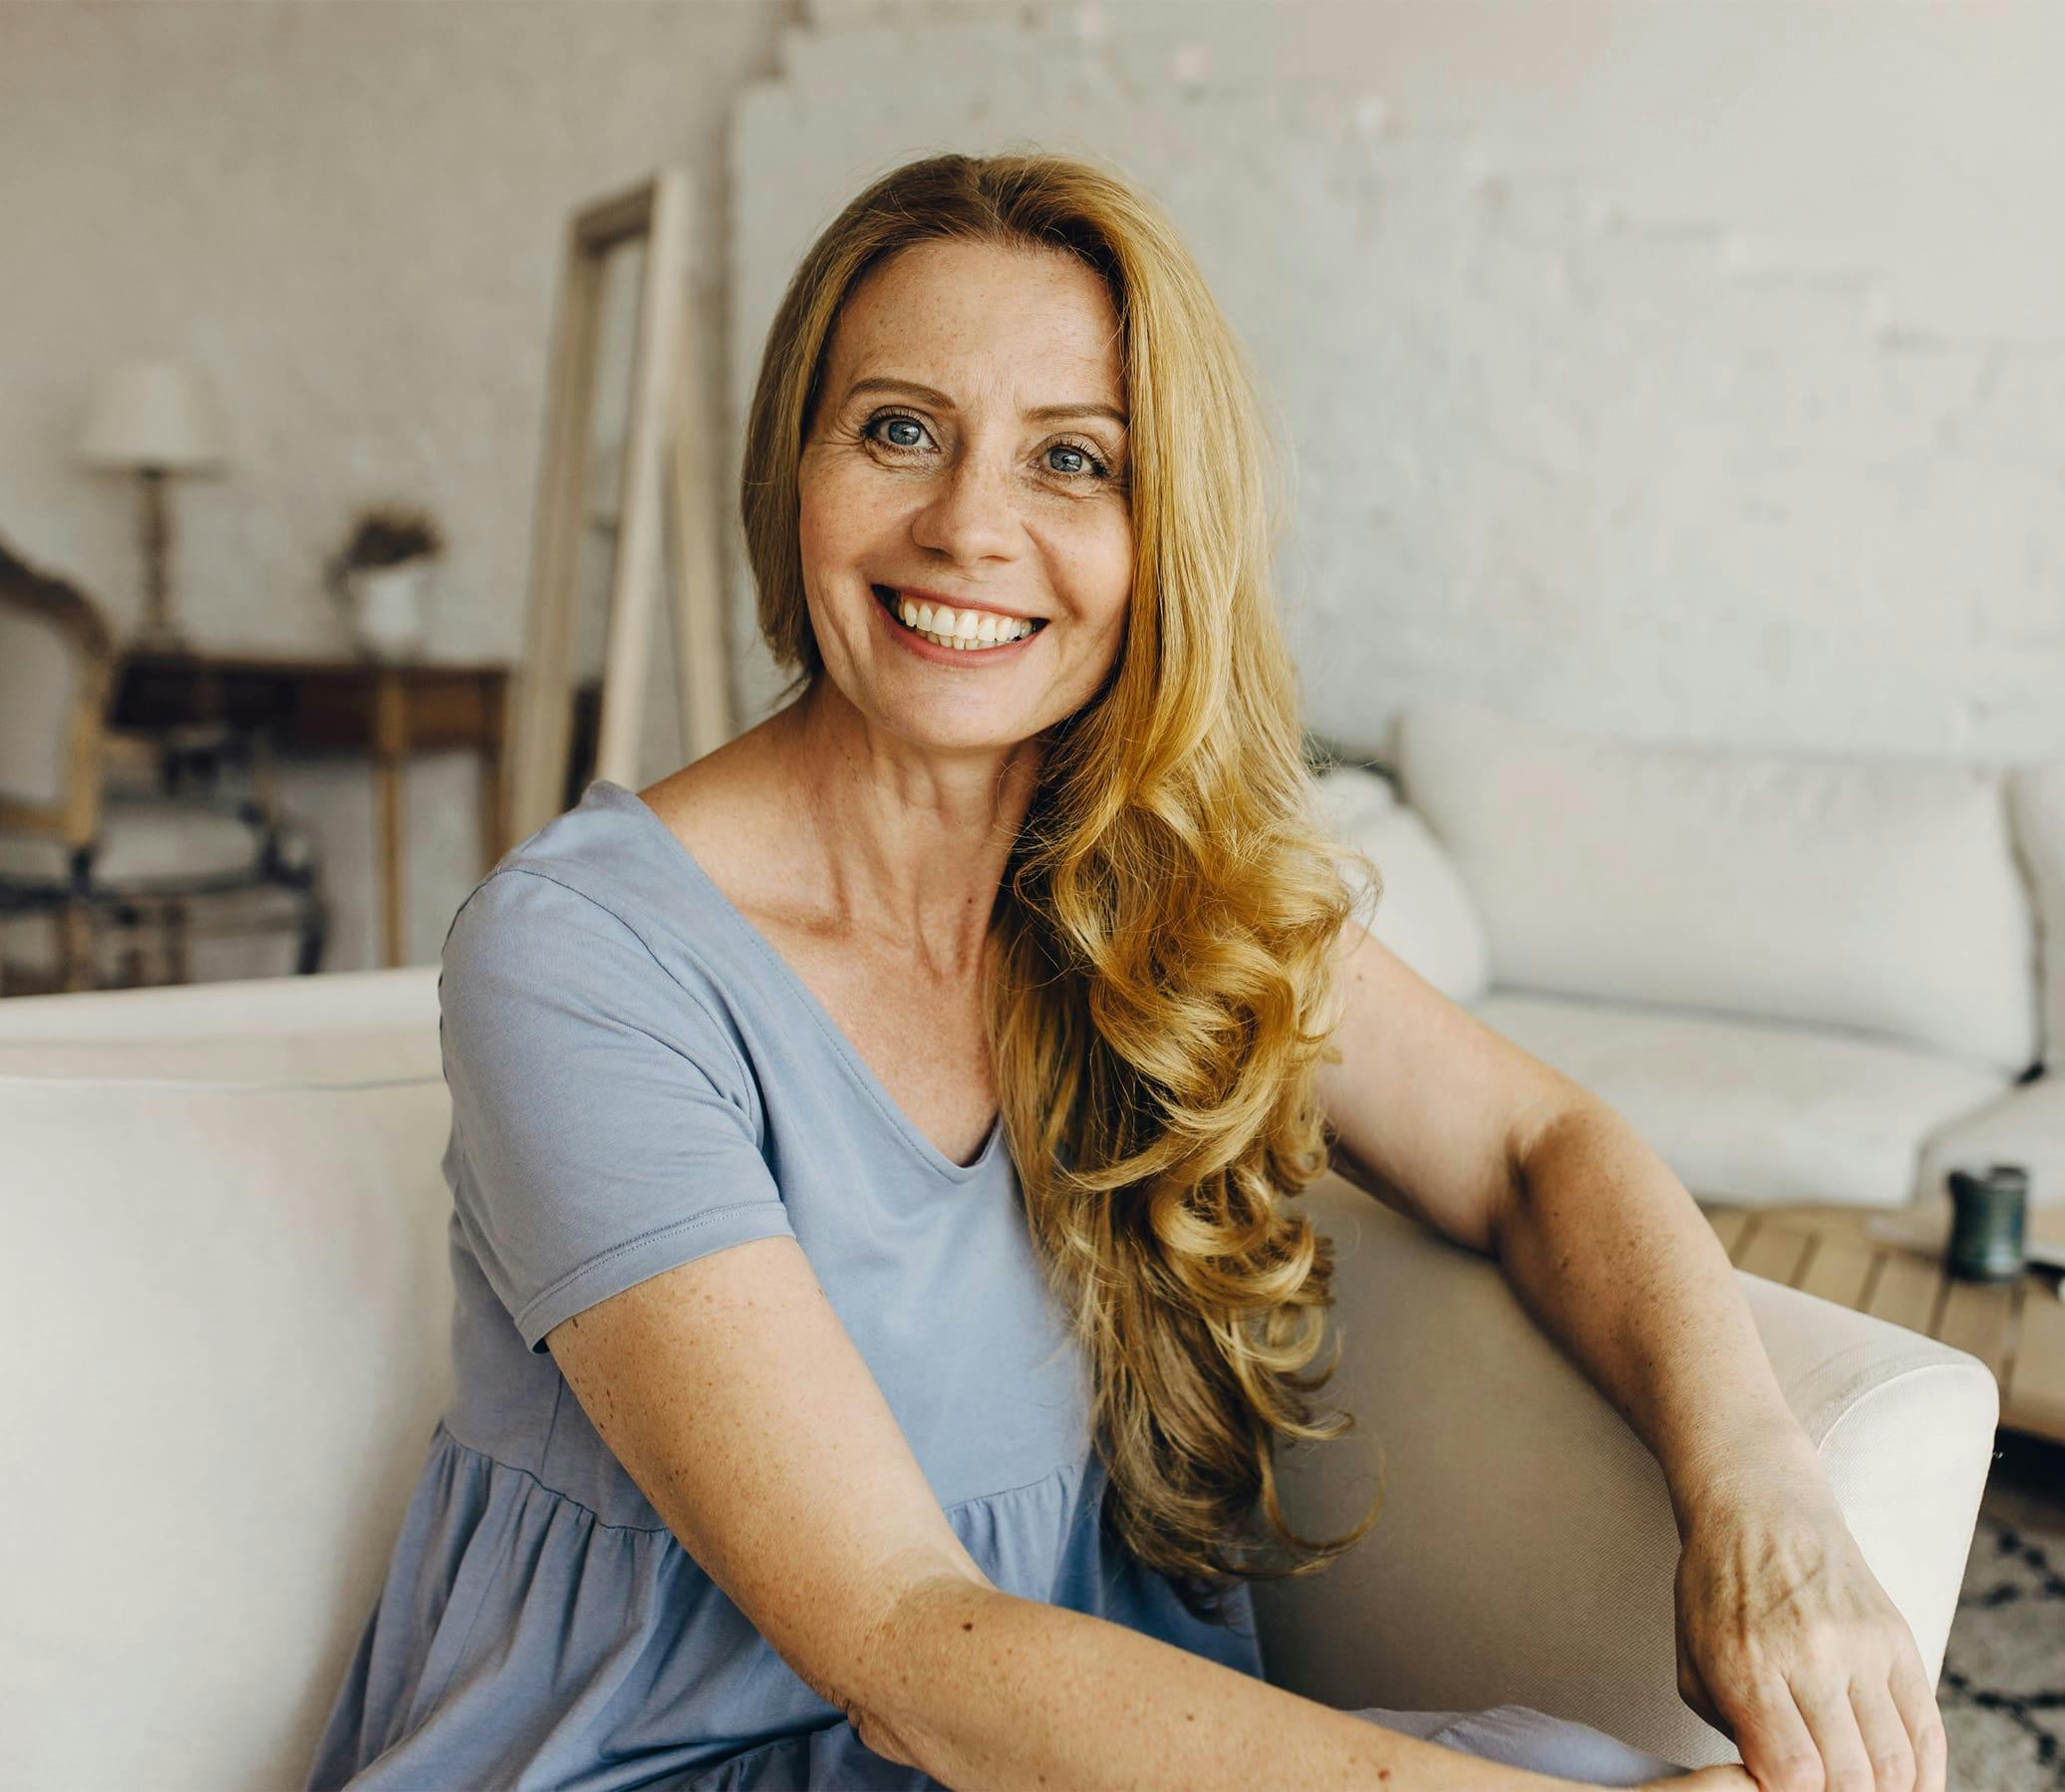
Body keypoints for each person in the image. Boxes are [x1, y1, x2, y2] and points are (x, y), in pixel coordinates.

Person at [307, 150, 1940, 1791]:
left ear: (1166, 531)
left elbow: (1535, 1148)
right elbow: (898, 1640)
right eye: (898, 430)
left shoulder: (1159, 888)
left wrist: (1762, 1487)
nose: (968, 527)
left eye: (1073, 459)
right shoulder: (582, 955)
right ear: (792, 466)